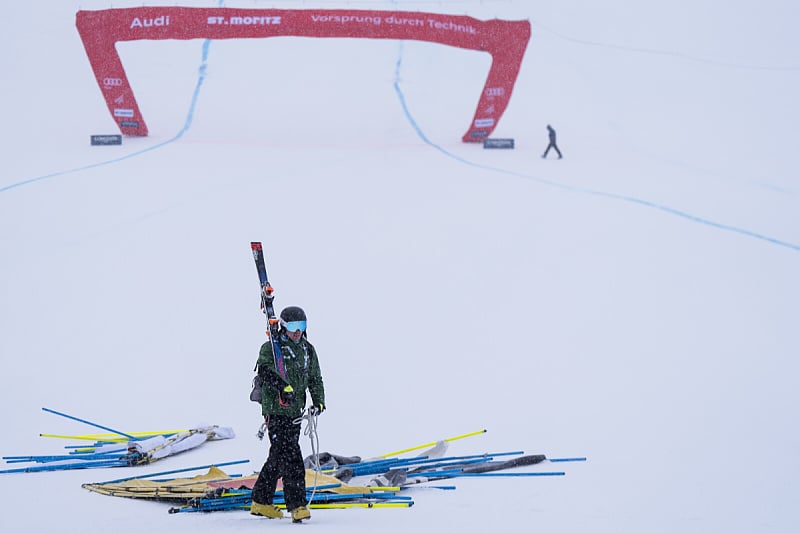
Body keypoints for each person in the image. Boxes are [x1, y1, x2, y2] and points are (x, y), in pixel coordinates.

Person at [250, 305, 325, 523]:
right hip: (275, 410)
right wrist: (283, 387)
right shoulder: (271, 348)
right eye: (293, 326)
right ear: (283, 326)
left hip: (295, 412)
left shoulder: (308, 350)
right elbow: (264, 369)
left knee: (279, 456)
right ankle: (297, 505)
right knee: (291, 456)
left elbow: (315, 378)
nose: (297, 331)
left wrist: (319, 401)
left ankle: (260, 500)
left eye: (302, 326)